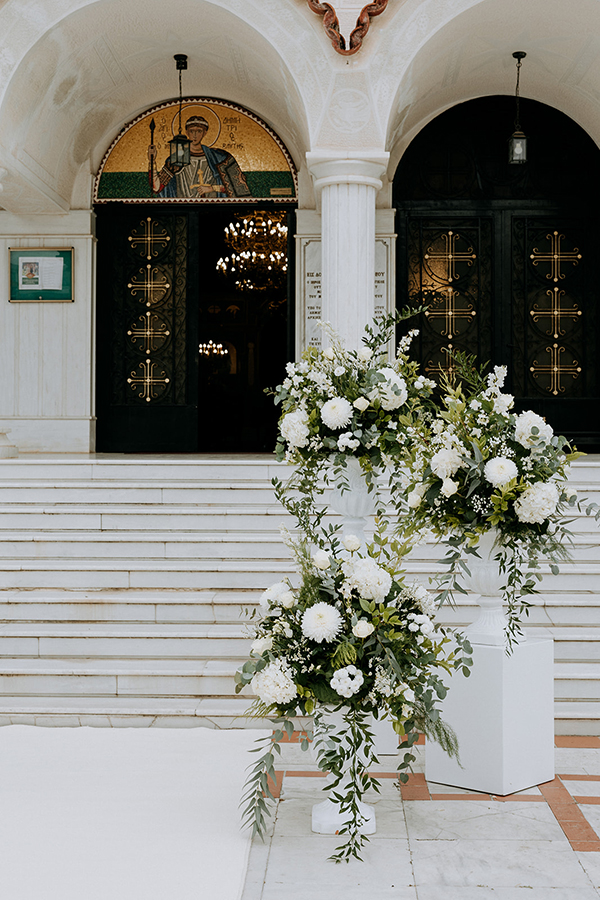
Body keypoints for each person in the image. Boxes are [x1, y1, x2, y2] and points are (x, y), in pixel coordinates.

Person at [148, 115, 251, 198]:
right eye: (192, 131)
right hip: (183, 211)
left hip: (213, 210)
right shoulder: (177, 159)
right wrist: (152, 160)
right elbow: (157, 187)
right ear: (187, 132)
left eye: (199, 131)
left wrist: (212, 188)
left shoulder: (218, 158)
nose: (195, 135)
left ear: (205, 133)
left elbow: (237, 188)